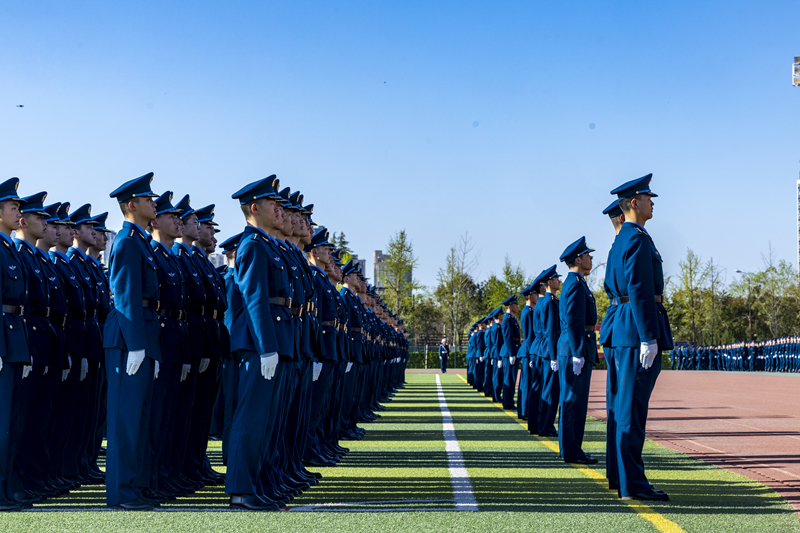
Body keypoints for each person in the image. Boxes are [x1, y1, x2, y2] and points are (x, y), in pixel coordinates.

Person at [607, 173, 672, 501]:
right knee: (632, 410)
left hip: (625, 329)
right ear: (634, 202)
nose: (652, 202)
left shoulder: (624, 238)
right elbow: (639, 289)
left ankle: (624, 478)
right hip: (635, 332)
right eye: (648, 198)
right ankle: (633, 483)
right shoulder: (635, 238)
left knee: (625, 409)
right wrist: (649, 336)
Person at [104, 172, 162, 510]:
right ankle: (121, 493)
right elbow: (126, 297)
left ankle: (133, 487)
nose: (153, 203)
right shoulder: (127, 242)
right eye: (148, 199)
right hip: (128, 338)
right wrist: (137, 345)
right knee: (124, 421)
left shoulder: (138, 241)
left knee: (138, 418)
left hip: (140, 335)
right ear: (132, 205)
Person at [556, 236, 598, 465]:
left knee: (574, 401)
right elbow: (573, 320)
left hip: (576, 345)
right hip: (576, 346)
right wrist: (577, 352)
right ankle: (571, 451)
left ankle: (570, 448)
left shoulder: (577, 282)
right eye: (588, 255)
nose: (591, 258)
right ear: (578, 258)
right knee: (574, 401)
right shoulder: (574, 283)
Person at [599, 198, 625, 490]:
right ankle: (626, 478)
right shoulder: (630, 242)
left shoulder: (616, 246)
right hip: (628, 328)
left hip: (617, 327)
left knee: (619, 405)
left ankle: (618, 474)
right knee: (626, 407)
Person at [535, 265, 561, 437]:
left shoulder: (546, 301)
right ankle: (546, 426)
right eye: (557, 278)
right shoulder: (550, 302)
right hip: (549, 351)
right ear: (550, 282)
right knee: (551, 390)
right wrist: (554, 357)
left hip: (545, 350)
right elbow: (551, 331)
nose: (560, 281)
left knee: (548, 389)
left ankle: (544, 424)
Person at [520, 282, 540, 432]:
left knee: (528, 382)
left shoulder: (531, 311)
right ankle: (525, 411)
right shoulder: (527, 312)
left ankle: (524, 410)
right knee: (527, 383)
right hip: (528, 351)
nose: (537, 296)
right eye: (534, 294)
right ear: (529, 296)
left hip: (530, 350)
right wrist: (533, 353)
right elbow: (528, 336)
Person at [500, 295, 521, 410]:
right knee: (509, 378)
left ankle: (509, 401)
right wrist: (511, 353)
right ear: (510, 306)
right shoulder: (508, 318)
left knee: (511, 378)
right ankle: (507, 402)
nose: (517, 307)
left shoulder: (511, 318)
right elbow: (508, 337)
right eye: (515, 305)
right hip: (510, 352)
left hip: (513, 350)